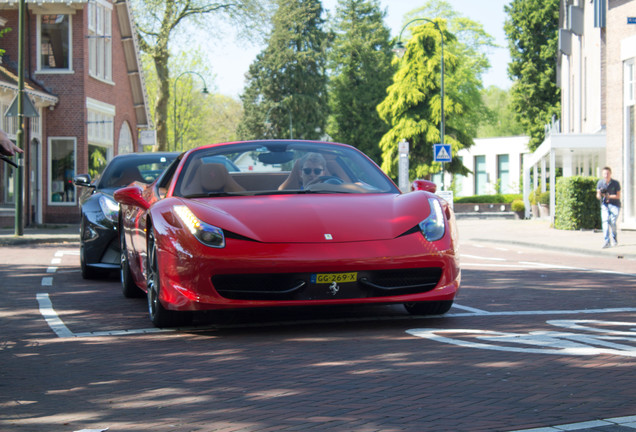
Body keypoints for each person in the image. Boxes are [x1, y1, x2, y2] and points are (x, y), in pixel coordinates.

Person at [596, 166, 621, 248]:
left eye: (607, 173)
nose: (606, 175)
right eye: (604, 174)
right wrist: (600, 195)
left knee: (612, 222)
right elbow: (598, 194)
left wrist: (608, 196)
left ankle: (614, 238)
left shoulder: (615, 183)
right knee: (605, 221)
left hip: (614, 205)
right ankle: (607, 241)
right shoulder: (600, 183)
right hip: (605, 205)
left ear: (610, 174)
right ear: (602, 174)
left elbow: (618, 196)